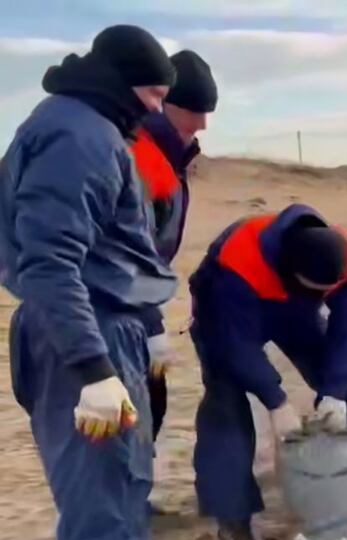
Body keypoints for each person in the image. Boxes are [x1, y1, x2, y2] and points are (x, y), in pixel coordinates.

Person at [0, 25, 177, 540]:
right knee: (108, 502)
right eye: (153, 95)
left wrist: (148, 320)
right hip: (84, 334)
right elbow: (50, 263)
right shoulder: (81, 138)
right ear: (122, 82)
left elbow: (109, 250)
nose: (156, 110)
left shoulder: (72, 123)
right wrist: (95, 370)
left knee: (91, 499)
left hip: (90, 324)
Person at [188, 203, 347, 540]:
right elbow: (235, 345)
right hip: (228, 311)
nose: (321, 297)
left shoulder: (345, 258)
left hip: (294, 312)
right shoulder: (239, 259)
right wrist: (275, 399)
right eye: (315, 290)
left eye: (324, 293)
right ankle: (233, 521)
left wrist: (335, 391)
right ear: (288, 271)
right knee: (226, 405)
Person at [131, 49, 218, 444]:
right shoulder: (138, 158)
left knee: (151, 409)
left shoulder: (170, 158)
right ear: (162, 102)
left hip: (137, 308)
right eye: (194, 111)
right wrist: (150, 325)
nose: (202, 124)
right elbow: (128, 253)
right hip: (114, 313)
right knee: (128, 422)